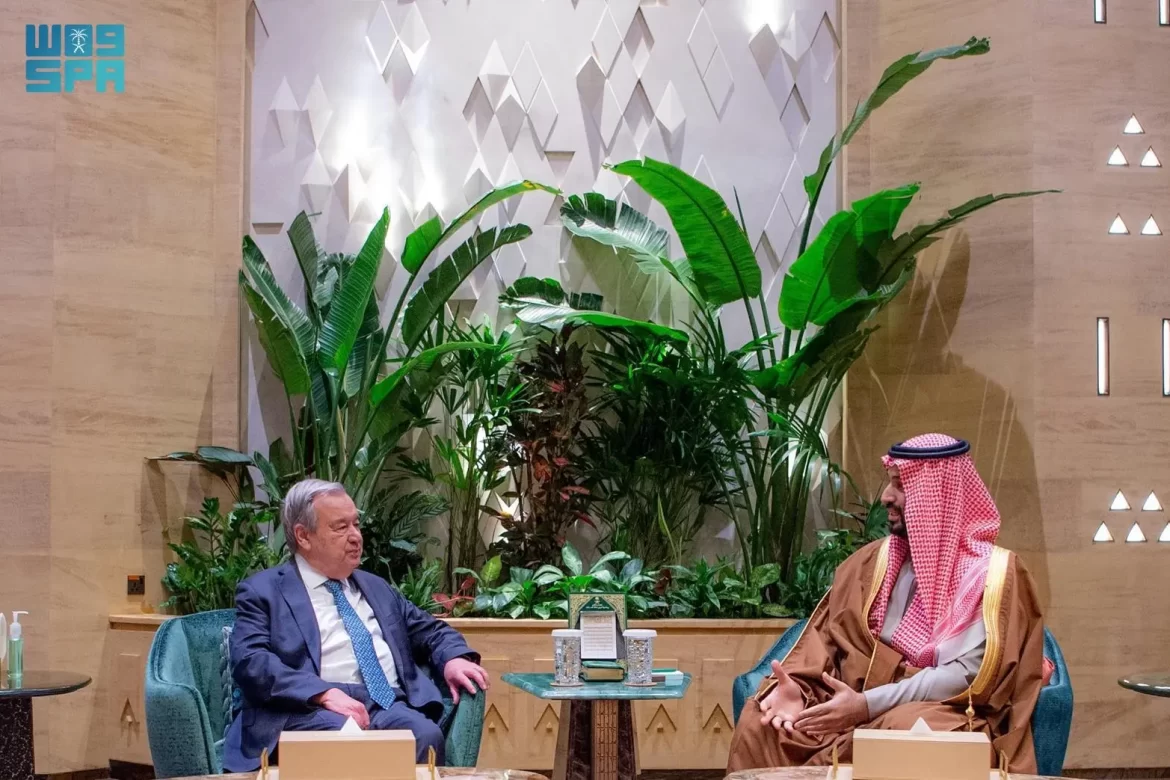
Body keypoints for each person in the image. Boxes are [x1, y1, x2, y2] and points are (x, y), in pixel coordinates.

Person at [726, 433, 1048, 774]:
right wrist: (797, 688)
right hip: (852, 700)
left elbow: (965, 677)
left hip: (940, 708)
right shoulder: (869, 563)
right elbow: (825, 638)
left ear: (937, 496)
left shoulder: (992, 575)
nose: (886, 497)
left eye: (900, 485)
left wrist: (866, 705)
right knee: (763, 724)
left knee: (907, 731)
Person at [224, 479, 489, 773]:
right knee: (345, 738)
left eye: (356, 524)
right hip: (309, 708)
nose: (356, 537)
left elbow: (430, 630)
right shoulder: (264, 591)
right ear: (303, 536)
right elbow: (250, 660)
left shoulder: (376, 587)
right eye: (341, 527)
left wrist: (453, 658)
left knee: (424, 736)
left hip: (385, 701)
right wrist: (322, 693)